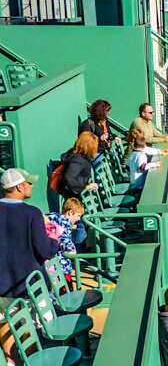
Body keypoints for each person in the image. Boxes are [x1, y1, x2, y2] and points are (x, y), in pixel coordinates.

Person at [0, 168, 59, 366]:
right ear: (18, 186)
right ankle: (30, 361)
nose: (31, 186)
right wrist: (55, 242)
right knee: (28, 324)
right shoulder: (32, 213)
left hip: (0, 284)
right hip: (27, 283)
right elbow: (44, 249)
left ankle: (10, 362)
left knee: (4, 321)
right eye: (29, 183)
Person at [45, 198, 85, 289]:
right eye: (78, 216)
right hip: (61, 265)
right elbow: (64, 239)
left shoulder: (51, 216)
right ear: (70, 212)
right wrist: (72, 250)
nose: (78, 219)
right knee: (65, 290)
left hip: (48, 262)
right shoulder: (64, 220)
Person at [58, 131, 100, 200]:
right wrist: (85, 187)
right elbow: (69, 178)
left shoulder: (74, 153)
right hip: (78, 197)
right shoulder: (78, 160)